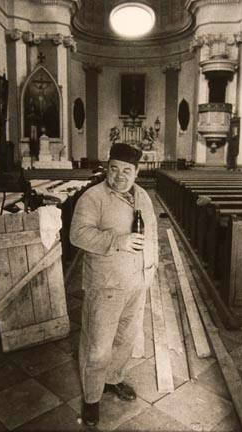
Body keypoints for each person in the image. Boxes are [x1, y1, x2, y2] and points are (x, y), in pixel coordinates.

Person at [70, 142, 158, 427]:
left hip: (137, 281)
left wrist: (151, 270)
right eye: (115, 169)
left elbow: (152, 234)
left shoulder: (143, 195)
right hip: (106, 284)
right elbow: (77, 235)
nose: (120, 176)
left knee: (125, 339)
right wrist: (117, 241)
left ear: (137, 171)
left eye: (127, 171)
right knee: (98, 345)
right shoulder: (92, 197)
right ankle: (92, 397)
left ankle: (114, 378)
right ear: (107, 168)